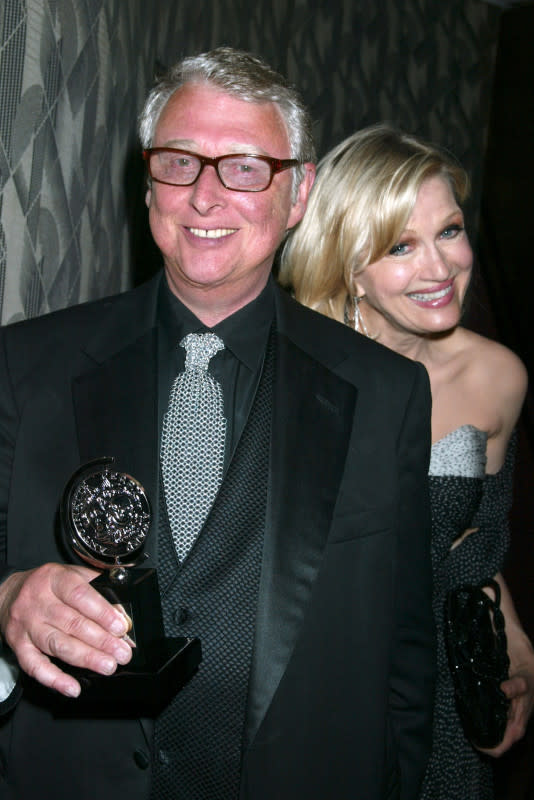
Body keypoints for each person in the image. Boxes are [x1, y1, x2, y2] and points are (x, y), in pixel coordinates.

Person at [0, 53, 435, 800]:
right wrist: (5, 599)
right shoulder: (22, 366)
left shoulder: (385, 393)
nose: (204, 196)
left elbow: (404, 657)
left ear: (298, 193)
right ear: (148, 183)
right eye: (179, 162)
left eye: (243, 168)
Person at [280, 123, 534, 800]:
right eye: (400, 246)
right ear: (348, 265)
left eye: (449, 230)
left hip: (446, 687)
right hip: (314, 691)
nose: (441, 266)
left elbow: (472, 546)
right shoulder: (293, 379)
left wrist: (512, 636)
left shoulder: (496, 378)